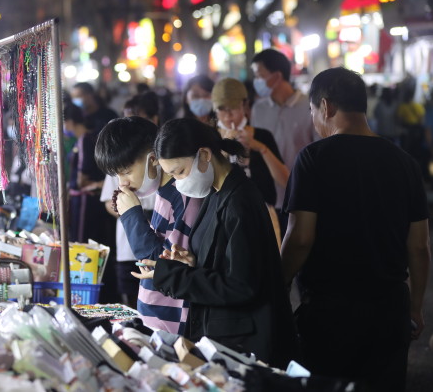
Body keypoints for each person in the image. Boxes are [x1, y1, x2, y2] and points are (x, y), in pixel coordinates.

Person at [281, 67, 430, 391]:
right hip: (390, 309)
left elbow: (301, 237)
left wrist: (279, 280)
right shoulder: (405, 162)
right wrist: (415, 306)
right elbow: (418, 246)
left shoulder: (313, 159)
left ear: (326, 106)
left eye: (311, 111)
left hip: (330, 312)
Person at [132, 118, 298, 368]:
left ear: (205, 154)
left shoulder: (239, 202)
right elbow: (222, 262)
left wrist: (171, 275)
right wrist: (190, 261)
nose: (178, 183)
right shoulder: (216, 192)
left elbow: (241, 286)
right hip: (224, 333)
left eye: (179, 172)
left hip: (246, 342)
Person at [95, 116, 203, 334]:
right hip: (157, 317)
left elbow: (161, 265)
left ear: (153, 158)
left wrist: (131, 215)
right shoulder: (163, 193)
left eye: (126, 171)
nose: (122, 182)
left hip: (176, 324)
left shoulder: (182, 196)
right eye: (116, 175)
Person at [99, 93, 161, 308]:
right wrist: (128, 211)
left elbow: (158, 261)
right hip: (128, 246)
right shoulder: (118, 160)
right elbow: (109, 201)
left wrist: (133, 211)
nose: (122, 183)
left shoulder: (170, 182)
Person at [211, 78, 289, 247]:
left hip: (263, 213)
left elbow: (285, 180)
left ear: (244, 106)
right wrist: (224, 148)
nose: (227, 115)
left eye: (232, 107)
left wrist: (260, 147)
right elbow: (206, 179)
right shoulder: (211, 138)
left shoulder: (262, 136)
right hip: (222, 214)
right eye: (221, 109)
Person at [63, 104, 117, 302]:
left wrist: (79, 185)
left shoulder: (85, 139)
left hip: (85, 201)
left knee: (83, 244)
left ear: (69, 121)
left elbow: (82, 177)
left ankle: (88, 292)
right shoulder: (84, 139)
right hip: (85, 200)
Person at [250, 48, 315, 212]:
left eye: (259, 75)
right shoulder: (259, 109)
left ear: (277, 76)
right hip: (268, 200)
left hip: (300, 198)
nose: (256, 81)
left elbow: (317, 154)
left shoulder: (310, 107)